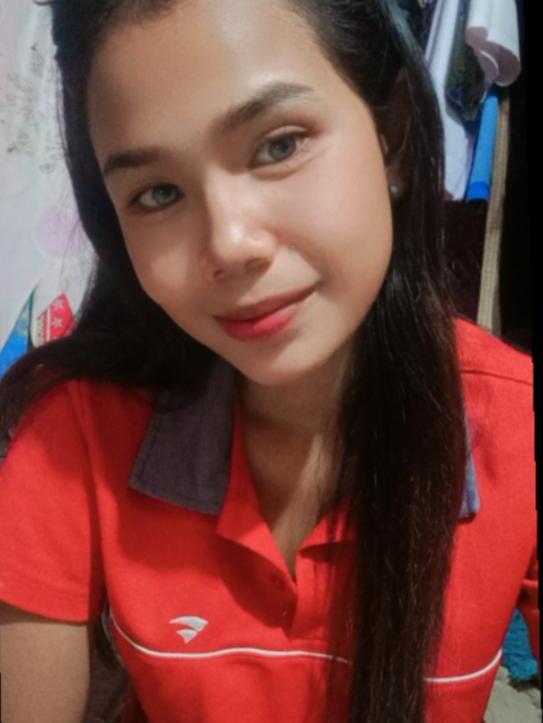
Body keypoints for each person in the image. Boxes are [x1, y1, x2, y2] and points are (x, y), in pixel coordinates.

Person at [0, 1, 537, 722]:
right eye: (158, 193)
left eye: (279, 146)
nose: (229, 245)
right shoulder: (73, 433)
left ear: (393, 136)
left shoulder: (518, 427)